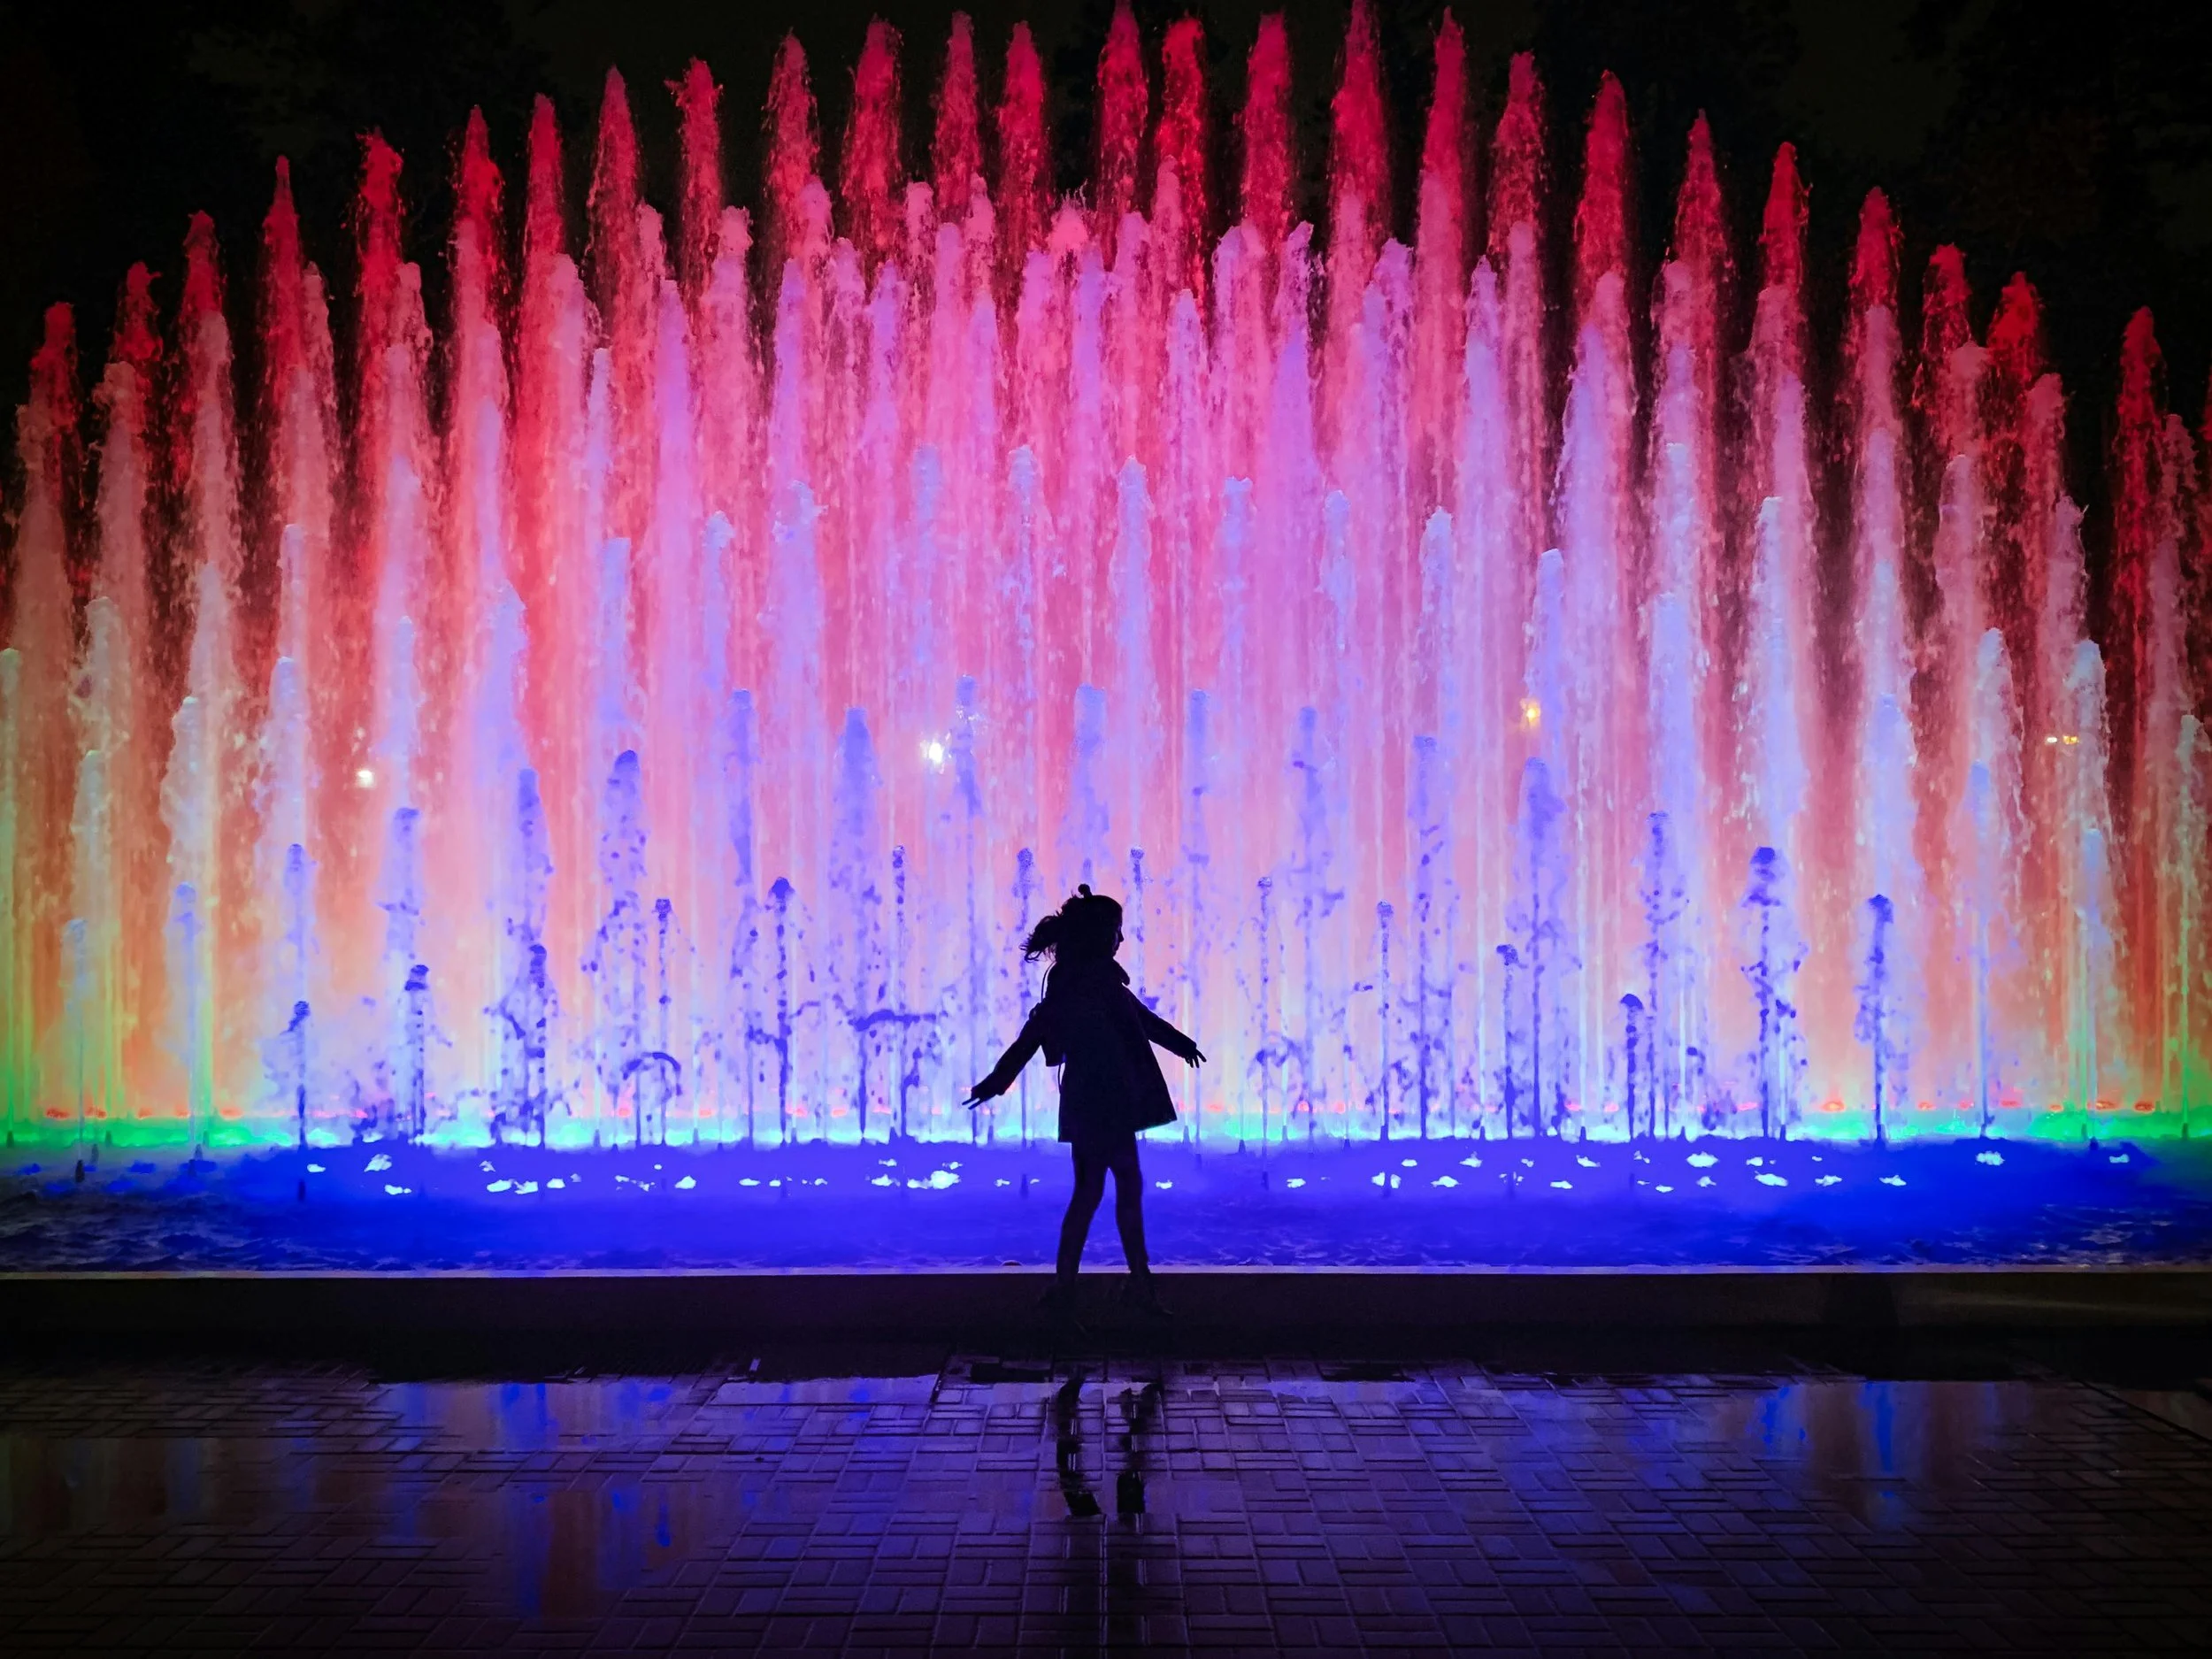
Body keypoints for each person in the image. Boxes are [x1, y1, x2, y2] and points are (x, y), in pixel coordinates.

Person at [965, 886, 1203, 1316]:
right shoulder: (1089, 982)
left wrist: (1180, 1042)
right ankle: (1129, 1289)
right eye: (1117, 931)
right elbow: (1037, 1032)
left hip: (1095, 1097)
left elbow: (1138, 1021)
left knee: (1094, 1192)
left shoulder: (1088, 980)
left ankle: (1078, 1289)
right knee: (1115, 1190)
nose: (1122, 939)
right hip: (1102, 1099)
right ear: (1099, 936)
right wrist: (997, 1080)